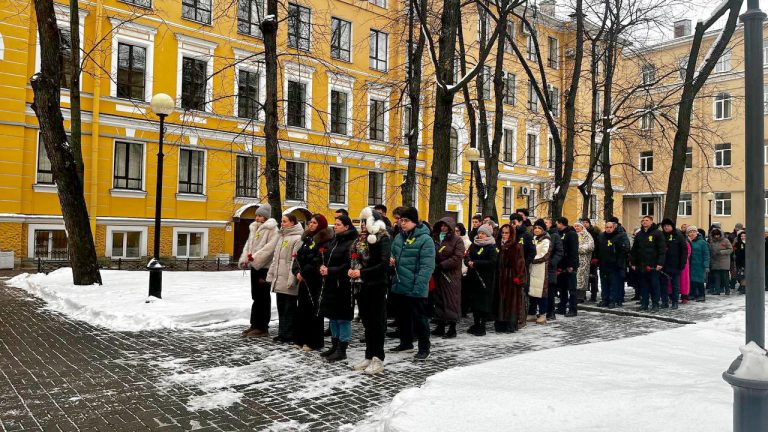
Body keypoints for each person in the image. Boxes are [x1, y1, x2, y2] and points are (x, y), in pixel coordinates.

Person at [389, 207, 435, 361]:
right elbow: (393, 254)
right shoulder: (399, 238)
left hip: (416, 286)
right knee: (402, 317)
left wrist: (419, 287)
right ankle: (406, 342)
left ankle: (424, 348)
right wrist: (391, 261)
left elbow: (427, 266)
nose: (402, 223)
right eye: (401, 220)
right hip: (400, 284)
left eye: (406, 221)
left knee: (420, 319)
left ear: (415, 221)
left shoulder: (425, 239)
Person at [351, 208, 391, 374]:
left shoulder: (383, 238)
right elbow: (355, 258)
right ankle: (369, 355)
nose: (362, 225)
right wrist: (352, 270)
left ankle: (378, 358)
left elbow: (383, 264)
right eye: (360, 222)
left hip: (377, 285)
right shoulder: (360, 239)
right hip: (362, 285)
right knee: (367, 322)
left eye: (365, 221)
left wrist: (362, 272)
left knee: (376, 323)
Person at [318, 215, 358, 362]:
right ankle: (334, 346)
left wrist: (331, 270)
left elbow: (348, 265)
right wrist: (323, 267)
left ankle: (342, 349)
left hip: (344, 285)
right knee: (333, 316)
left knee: (343, 318)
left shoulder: (351, 243)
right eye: (334, 224)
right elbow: (328, 258)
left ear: (347, 227)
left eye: (339, 224)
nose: (335, 226)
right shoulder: (335, 240)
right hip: (331, 283)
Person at [238, 203, 279, 337]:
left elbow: (269, 249)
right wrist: (245, 259)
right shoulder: (254, 228)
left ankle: (262, 327)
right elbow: (248, 246)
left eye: (260, 215)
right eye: (256, 215)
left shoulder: (273, 230)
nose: (257, 218)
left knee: (263, 297)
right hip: (254, 267)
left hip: (264, 268)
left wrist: (254, 259)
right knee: (255, 296)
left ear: (266, 217)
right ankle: (254, 324)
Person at [293, 214, 334, 351]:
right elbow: (298, 257)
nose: (310, 225)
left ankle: (313, 341)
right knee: (302, 310)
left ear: (320, 225)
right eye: (310, 222)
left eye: (314, 223)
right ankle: (301, 338)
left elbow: (318, 260)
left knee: (314, 311)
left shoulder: (324, 241)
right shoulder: (307, 239)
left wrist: (304, 273)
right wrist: (297, 271)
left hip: (315, 281)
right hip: (304, 280)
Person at [266, 214, 305, 343]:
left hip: (288, 280)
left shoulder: (298, 238)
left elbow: (295, 261)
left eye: (285, 221)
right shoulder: (282, 237)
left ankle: (289, 334)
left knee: (290, 309)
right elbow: (276, 259)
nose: (282, 224)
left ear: (293, 222)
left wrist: (291, 279)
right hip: (279, 279)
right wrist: (271, 275)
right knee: (281, 307)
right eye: (281, 221)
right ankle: (282, 333)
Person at [430, 217, 465, 339]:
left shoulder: (457, 240)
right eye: (441, 225)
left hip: (451, 275)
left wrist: (442, 265)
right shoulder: (435, 239)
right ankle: (440, 325)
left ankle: (452, 328)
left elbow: (457, 257)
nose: (443, 228)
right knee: (439, 299)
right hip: (438, 274)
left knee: (451, 300)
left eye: (445, 226)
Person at [465, 225, 498, 336]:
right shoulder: (474, 245)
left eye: (483, 233)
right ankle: (476, 324)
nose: (480, 235)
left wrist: (476, 263)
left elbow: (492, 262)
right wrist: (468, 262)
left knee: (482, 303)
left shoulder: (491, 247)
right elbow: (467, 256)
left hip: (484, 279)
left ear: (488, 235)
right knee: (474, 302)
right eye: (480, 233)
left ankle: (482, 326)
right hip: (473, 277)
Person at [630, 216, 665, 312]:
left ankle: (655, 304)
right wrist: (633, 262)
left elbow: (662, 249)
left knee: (654, 285)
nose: (644, 222)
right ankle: (644, 304)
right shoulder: (639, 234)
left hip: (653, 265)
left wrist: (660, 263)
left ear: (651, 222)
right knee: (643, 285)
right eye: (643, 220)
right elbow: (634, 250)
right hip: (642, 265)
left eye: (647, 220)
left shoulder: (657, 233)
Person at [496, 224, 527, 332]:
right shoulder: (497, 245)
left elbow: (520, 262)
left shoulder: (516, 246)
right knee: (500, 300)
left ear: (511, 234)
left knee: (511, 301)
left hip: (510, 276)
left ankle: (511, 324)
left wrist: (518, 276)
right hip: (499, 276)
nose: (504, 235)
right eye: (503, 233)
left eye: (507, 233)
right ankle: (500, 323)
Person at [595, 220, 630, 308]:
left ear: (614, 228)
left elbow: (626, 248)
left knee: (614, 284)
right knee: (604, 283)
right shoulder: (601, 236)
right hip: (604, 264)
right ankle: (604, 299)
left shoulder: (621, 235)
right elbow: (597, 248)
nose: (608, 229)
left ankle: (613, 300)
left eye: (610, 227)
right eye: (607, 227)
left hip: (615, 264)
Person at [659, 218, 688, 310]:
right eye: (664, 226)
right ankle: (664, 301)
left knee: (675, 285)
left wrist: (682, 263)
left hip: (675, 265)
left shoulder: (678, 235)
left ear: (672, 226)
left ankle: (675, 302)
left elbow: (684, 250)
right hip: (663, 265)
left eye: (668, 226)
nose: (666, 228)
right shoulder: (661, 236)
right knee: (663, 284)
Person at [527, 220, 552, 324]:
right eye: (535, 228)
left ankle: (542, 314)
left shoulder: (546, 240)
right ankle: (532, 313)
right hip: (532, 269)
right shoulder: (533, 239)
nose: (536, 230)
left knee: (541, 293)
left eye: (539, 228)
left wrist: (531, 258)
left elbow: (544, 255)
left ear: (543, 230)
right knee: (532, 293)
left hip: (541, 269)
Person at [556, 217, 579, 317]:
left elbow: (573, 250)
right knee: (562, 288)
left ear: (561, 223)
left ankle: (573, 309)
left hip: (570, 266)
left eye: (557, 223)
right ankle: (562, 307)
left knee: (572, 289)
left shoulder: (571, 233)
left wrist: (571, 265)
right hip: (561, 265)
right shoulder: (558, 233)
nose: (556, 225)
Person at [543, 217, 563, 320]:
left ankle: (551, 312)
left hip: (550, 268)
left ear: (551, 224)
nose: (545, 224)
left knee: (550, 291)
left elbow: (559, 251)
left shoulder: (554, 236)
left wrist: (552, 262)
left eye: (546, 222)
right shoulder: (539, 235)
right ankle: (543, 311)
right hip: (540, 267)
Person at [580, 218, 601, 302]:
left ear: (589, 223)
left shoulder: (594, 232)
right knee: (583, 277)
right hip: (583, 258)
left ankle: (594, 294)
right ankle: (582, 295)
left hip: (593, 257)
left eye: (586, 222)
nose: (584, 224)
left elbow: (597, 246)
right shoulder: (580, 233)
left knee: (593, 277)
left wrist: (596, 257)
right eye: (583, 223)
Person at [687, 226, 710, 302]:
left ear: (697, 233)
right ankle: (692, 294)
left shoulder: (702, 242)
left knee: (699, 281)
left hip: (699, 264)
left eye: (694, 231)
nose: (692, 233)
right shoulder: (688, 241)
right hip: (690, 265)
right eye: (690, 232)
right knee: (691, 280)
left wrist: (706, 265)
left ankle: (701, 295)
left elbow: (706, 254)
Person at [573, 221, 595, 302]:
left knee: (582, 278)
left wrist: (578, 249)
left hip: (583, 260)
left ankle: (581, 296)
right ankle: (574, 295)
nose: (576, 228)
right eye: (575, 226)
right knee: (574, 278)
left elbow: (590, 246)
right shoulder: (573, 235)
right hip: (574, 260)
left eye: (578, 226)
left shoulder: (587, 235)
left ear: (582, 227)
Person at [455, 222, 472, 318]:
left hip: (463, 269)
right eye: (455, 231)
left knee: (463, 292)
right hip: (456, 268)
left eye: (457, 231)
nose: (456, 233)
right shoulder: (454, 240)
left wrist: (464, 270)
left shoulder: (467, 242)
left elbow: (466, 257)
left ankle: (463, 310)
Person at [708, 228, 732, 295]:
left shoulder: (725, 240)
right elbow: (710, 250)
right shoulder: (712, 241)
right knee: (716, 277)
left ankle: (727, 290)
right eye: (715, 235)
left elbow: (730, 249)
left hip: (724, 261)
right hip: (715, 261)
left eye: (718, 235)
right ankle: (717, 290)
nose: (716, 236)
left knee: (725, 278)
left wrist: (722, 252)